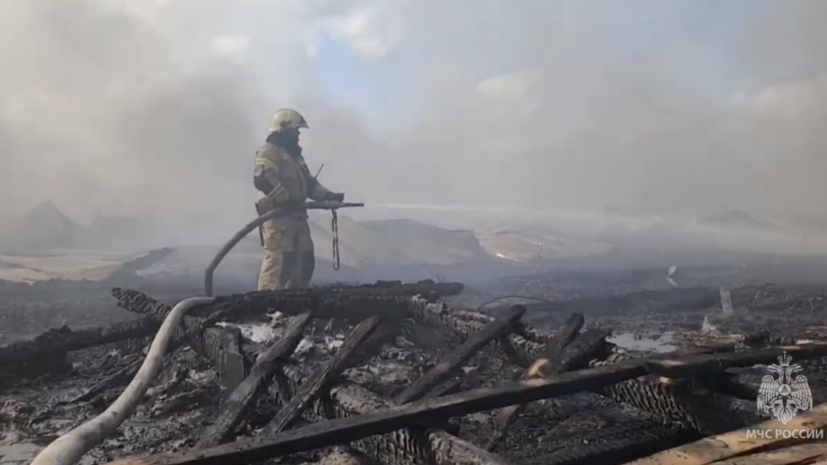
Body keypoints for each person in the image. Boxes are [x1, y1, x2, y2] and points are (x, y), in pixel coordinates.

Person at [253, 108, 345, 291]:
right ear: (284, 128)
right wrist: (286, 200)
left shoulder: (295, 157)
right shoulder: (269, 151)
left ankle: (296, 300)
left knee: (305, 260)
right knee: (279, 264)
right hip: (278, 220)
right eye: (296, 130)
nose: (298, 135)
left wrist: (328, 196)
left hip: (297, 219)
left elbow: (309, 185)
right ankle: (265, 304)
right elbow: (263, 178)